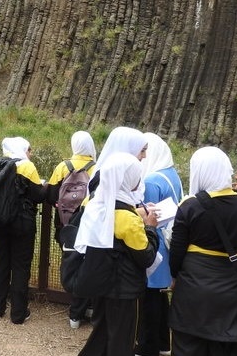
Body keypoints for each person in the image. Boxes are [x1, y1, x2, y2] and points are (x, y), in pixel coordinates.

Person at [168, 146, 237, 356]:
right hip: (230, 284)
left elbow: (177, 252)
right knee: (222, 344)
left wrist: (175, 276)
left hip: (193, 284)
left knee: (186, 344)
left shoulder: (189, 206)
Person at [74, 152, 159, 356]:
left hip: (101, 284)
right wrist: (151, 228)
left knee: (102, 334)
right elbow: (146, 256)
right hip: (125, 289)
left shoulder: (96, 205)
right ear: (127, 179)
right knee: (122, 341)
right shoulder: (127, 220)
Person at [0, 137, 45, 324]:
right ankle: (18, 313)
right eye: (29, 149)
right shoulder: (27, 167)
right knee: (20, 266)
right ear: (23, 149)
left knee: (0, 261)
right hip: (22, 223)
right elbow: (39, 195)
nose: (30, 153)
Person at [135, 133, 182, 356]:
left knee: (150, 298)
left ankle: (147, 347)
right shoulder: (171, 174)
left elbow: (148, 216)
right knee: (161, 296)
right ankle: (164, 343)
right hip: (169, 242)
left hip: (157, 244)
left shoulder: (152, 180)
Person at [46, 130, 97, 329]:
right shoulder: (95, 167)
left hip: (65, 227)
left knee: (71, 266)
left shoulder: (63, 166)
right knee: (89, 265)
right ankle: (87, 308)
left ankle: (75, 313)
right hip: (87, 226)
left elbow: (50, 195)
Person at [88, 126, 148, 195]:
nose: (144, 156)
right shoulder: (104, 178)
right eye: (142, 150)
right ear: (126, 149)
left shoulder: (131, 176)